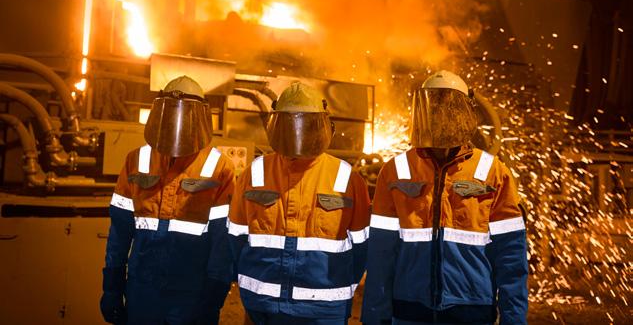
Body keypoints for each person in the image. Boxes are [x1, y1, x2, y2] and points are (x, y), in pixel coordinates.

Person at [361, 70, 528, 325]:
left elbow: (511, 256)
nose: (440, 116)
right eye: (434, 107)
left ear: (465, 112)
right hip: (409, 312)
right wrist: (375, 316)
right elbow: (381, 254)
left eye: (447, 107)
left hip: (471, 312)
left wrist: (513, 319)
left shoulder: (493, 172)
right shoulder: (396, 170)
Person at [228, 82, 371, 325]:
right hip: (263, 308)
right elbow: (235, 237)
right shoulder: (256, 172)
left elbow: (362, 248)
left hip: (323, 312)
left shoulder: (347, 179)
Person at [100, 75, 235, 324]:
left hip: (192, 295)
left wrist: (213, 298)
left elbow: (222, 242)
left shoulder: (219, 168)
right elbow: (119, 232)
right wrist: (112, 287)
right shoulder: (136, 160)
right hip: (142, 291)